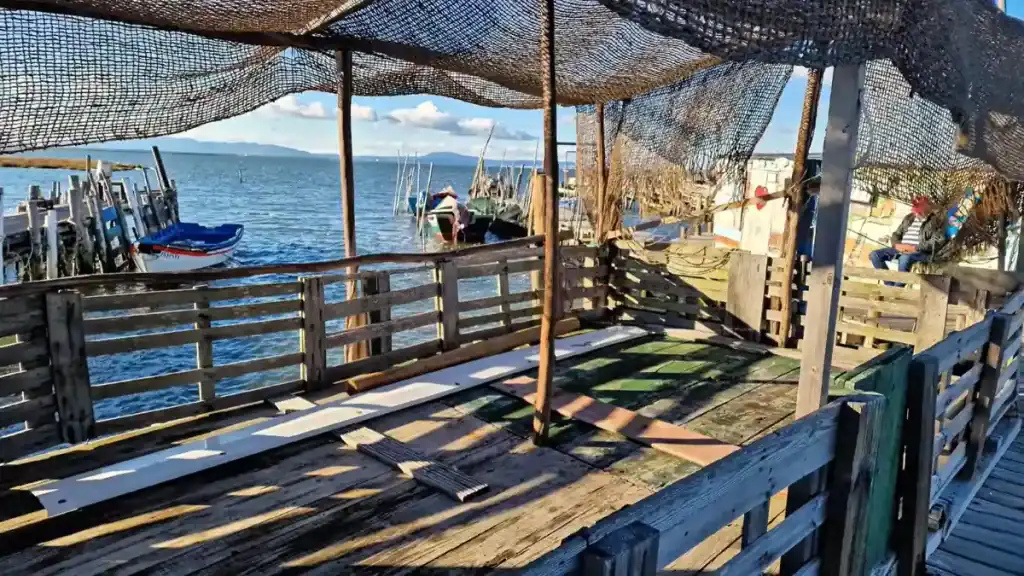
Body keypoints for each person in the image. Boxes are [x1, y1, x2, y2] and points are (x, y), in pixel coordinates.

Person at [870, 195, 947, 274]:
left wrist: (916, 248)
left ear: (925, 210)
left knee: (904, 258)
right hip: (902, 249)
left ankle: (897, 285)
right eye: (915, 212)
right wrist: (898, 246)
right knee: (875, 255)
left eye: (919, 212)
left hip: (920, 253)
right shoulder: (909, 218)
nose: (916, 214)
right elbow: (896, 234)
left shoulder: (935, 221)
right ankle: (890, 284)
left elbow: (938, 240)